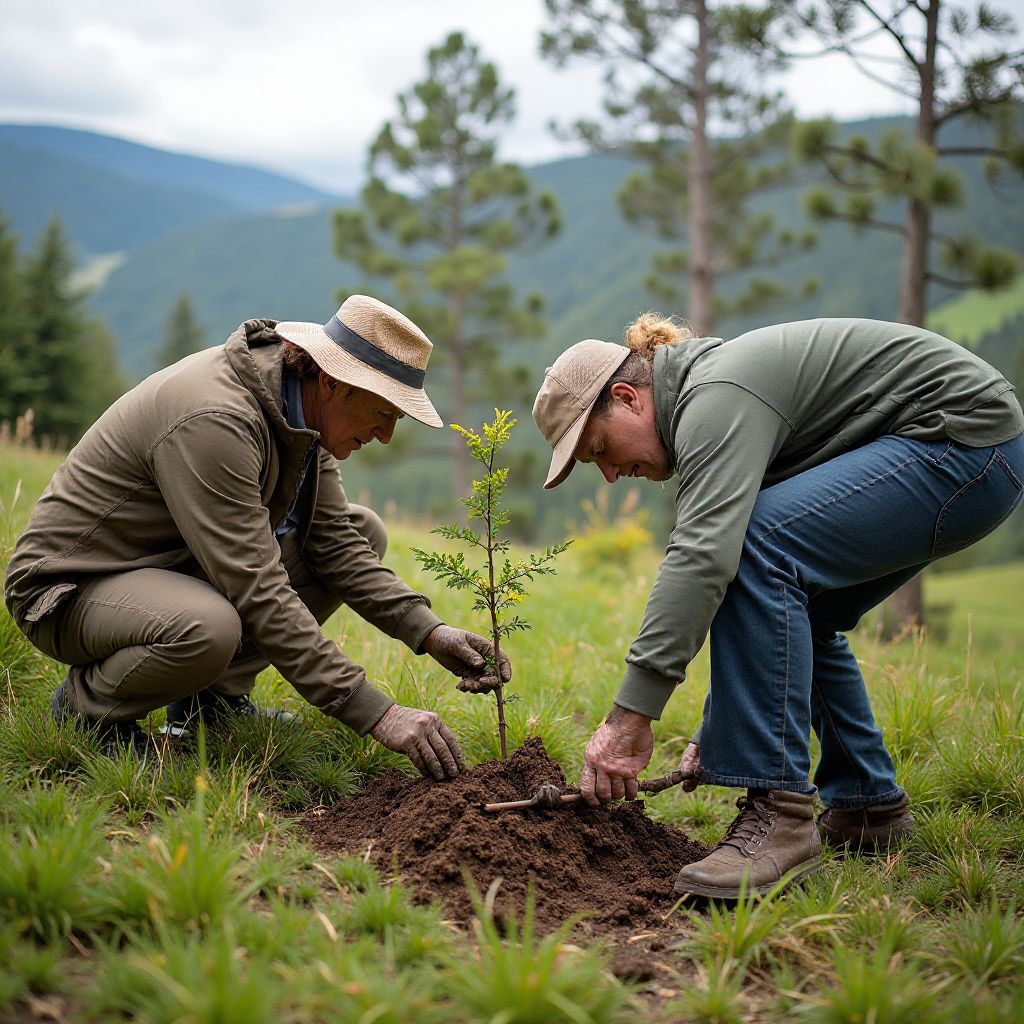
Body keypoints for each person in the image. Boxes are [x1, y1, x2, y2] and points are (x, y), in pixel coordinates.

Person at [533, 314, 1024, 898]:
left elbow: (705, 558)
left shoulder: (714, 399)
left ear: (628, 398)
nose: (612, 475)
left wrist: (628, 718)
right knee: (802, 605)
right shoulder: (705, 399)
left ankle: (781, 823)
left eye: (599, 450)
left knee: (757, 545)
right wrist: (724, 724)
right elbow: (772, 616)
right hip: (973, 454)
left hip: (961, 445)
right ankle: (868, 806)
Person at [5, 294, 509, 781]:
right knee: (208, 628)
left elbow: (336, 543)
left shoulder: (302, 416)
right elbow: (258, 587)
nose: (385, 435)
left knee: (363, 529)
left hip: (168, 565)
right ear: (334, 382)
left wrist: (428, 631)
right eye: (383, 413)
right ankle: (86, 710)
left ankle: (211, 705)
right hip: (69, 588)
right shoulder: (217, 420)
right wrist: (377, 714)